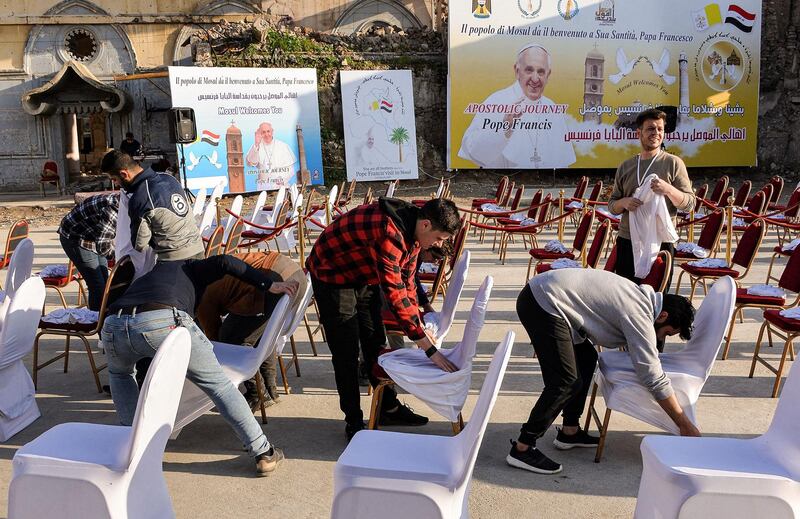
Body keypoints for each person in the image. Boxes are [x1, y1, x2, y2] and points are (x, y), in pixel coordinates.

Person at [101, 254, 299, 476]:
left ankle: (134, 452)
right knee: (220, 386)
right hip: (164, 320)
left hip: (113, 324)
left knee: (120, 375)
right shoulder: (191, 266)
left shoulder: (152, 276)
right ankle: (263, 452)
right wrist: (269, 284)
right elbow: (225, 262)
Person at [507, 269, 698, 475]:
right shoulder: (639, 314)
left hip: (547, 295)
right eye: (666, 333)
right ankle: (522, 447)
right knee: (565, 381)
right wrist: (683, 423)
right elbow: (652, 376)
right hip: (542, 303)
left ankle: (569, 431)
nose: (661, 339)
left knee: (587, 358)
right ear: (663, 315)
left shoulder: (641, 299)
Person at [306, 198, 462, 440]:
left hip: (362, 273)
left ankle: (387, 407)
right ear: (427, 225)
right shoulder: (391, 233)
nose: (438, 244)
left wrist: (419, 325)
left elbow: (407, 283)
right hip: (332, 274)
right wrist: (428, 348)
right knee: (345, 350)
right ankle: (354, 421)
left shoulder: (415, 232)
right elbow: (394, 293)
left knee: (375, 340)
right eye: (440, 238)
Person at [195, 251, 307, 409]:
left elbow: (217, 343)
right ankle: (270, 389)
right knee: (262, 334)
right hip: (294, 274)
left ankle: (257, 393)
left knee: (232, 339)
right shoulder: (203, 271)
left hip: (274, 280)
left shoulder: (200, 296)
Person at [608, 108, 694, 288]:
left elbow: (690, 204)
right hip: (628, 240)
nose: (656, 133)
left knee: (656, 297)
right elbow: (612, 205)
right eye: (650, 129)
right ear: (639, 133)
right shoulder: (626, 166)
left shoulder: (673, 163)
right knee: (626, 296)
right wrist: (624, 203)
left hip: (661, 243)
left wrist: (669, 189)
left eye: (660, 129)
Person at [458, 43, 576, 169]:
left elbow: (563, 161)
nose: (535, 79)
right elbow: (472, 148)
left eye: (541, 72)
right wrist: (504, 129)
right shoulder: (496, 101)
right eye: (529, 70)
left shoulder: (552, 108)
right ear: (517, 71)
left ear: (548, 75)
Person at [101, 150, 204, 261]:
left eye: (114, 180)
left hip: (174, 259)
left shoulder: (140, 197)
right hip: (198, 249)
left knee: (143, 279)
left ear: (124, 174)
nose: (116, 184)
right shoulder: (170, 178)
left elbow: (139, 244)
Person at [57, 193, 119, 310]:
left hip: (93, 236)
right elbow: (104, 247)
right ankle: (95, 323)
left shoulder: (127, 204)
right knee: (97, 285)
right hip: (75, 237)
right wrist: (120, 260)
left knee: (105, 282)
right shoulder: (113, 210)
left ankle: (102, 317)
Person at [246, 122, 298, 190]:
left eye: (268, 131)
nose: (266, 134)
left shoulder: (283, 146)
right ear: (260, 134)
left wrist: (281, 179)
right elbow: (252, 162)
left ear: (272, 131)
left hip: (282, 187)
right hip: (263, 188)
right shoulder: (257, 146)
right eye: (263, 132)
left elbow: (291, 169)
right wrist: (256, 144)